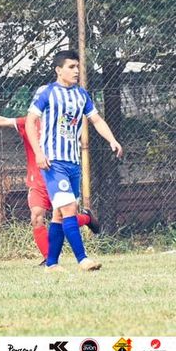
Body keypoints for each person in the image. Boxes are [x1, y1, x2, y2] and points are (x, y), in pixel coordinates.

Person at [26, 50, 123, 272]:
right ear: (58, 70)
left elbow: (96, 120)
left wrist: (112, 140)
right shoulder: (47, 92)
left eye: (78, 67)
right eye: (71, 67)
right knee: (69, 208)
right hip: (54, 162)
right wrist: (39, 153)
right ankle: (83, 259)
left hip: (73, 162)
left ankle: (51, 263)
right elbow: (31, 121)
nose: (76, 71)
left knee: (60, 214)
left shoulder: (81, 95)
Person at [0, 111, 99, 263]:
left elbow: (85, 123)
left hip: (59, 178)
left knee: (64, 217)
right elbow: (3, 120)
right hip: (37, 181)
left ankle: (86, 218)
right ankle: (48, 259)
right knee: (36, 217)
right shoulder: (28, 122)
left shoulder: (62, 121)